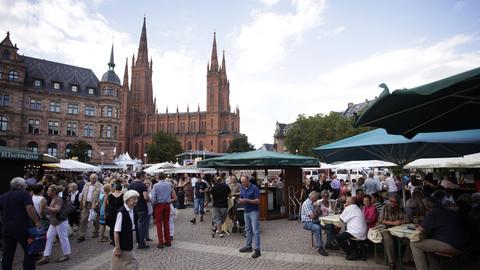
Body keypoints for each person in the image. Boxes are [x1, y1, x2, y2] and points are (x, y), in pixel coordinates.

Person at [410, 197, 465, 270]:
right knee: (427, 244)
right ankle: (435, 268)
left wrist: (419, 226)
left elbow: (421, 229)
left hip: (451, 245)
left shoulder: (434, 212)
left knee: (414, 244)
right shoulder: (446, 210)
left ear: (426, 206)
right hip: (460, 243)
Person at [0, 177, 41, 270]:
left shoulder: (3, 196)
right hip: (23, 228)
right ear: (20, 186)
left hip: (7, 229)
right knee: (30, 251)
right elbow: (29, 208)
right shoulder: (24, 194)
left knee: (8, 254)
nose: (25, 187)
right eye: (25, 185)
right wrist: (37, 221)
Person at [37, 185, 71, 264]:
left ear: (53, 192)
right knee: (49, 238)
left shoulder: (58, 199)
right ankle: (46, 256)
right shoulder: (53, 198)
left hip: (60, 222)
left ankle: (66, 255)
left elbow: (57, 209)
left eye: (49, 190)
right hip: (54, 222)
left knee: (63, 238)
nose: (47, 192)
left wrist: (46, 207)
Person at [111, 190, 140, 270]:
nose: (136, 201)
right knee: (133, 263)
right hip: (123, 244)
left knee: (118, 265)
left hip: (129, 241)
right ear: (127, 199)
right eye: (133, 199)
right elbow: (116, 231)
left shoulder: (133, 210)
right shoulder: (122, 212)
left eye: (136, 199)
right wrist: (117, 248)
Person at [378, 194, 408, 270]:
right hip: (386, 229)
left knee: (409, 239)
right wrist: (393, 223)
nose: (393, 203)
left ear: (398, 202)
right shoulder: (384, 207)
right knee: (387, 238)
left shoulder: (400, 208)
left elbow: (407, 219)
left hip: (398, 230)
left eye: (395, 202)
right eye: (391, 201)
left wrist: (401, 221)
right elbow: (380, 221)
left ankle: (406, 259)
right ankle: (392, 262)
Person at [336, 196, 368, 261]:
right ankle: (356, 252)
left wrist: (345, 208)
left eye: (346, 201)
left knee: (339, 237)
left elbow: (342, 219)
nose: (345, 202)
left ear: (348, 202)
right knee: (348, 234)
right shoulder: (357, 208)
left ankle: (351, 253)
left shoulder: (349, 208)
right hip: (363, 232)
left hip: (356, 232)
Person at [151, 172, 177, 248]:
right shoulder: (169, 185)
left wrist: (153, 204)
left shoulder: (156, 185)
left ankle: (161, 242)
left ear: (158, 177)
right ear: (164, 177)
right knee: (166, 223)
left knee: (159, 224)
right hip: (167, 205)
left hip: (159, 205)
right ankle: (168, 241)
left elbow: (153, 198)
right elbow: (173, 195)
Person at [238, 175, 261, 258]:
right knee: (248, 229)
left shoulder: (254, 188)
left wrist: (246, 200)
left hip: (254, 211)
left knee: (255, 230)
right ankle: (248, 247)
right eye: (241, 182)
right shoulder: (242, 188)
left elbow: (258, 201)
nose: (242, 183)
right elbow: (241, 197)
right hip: (246, 211)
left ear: (248, 181)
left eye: (244, 182)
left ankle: (257, 250)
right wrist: (240, 201)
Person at [301, 191, 329, 256]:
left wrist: (317, 209)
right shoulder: (306, 203)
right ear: (313, 197)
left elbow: (320, 213)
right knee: (317, 228)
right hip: (307, 222)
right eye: (317, 197)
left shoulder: (314, 203)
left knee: (329, 225)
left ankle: (330, 243)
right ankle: (320, 248)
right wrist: (317, 209)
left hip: (315, 221)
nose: (317, 199)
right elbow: (312, 216)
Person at [78, 173, 103, 242]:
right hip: (86, 204)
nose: (92, 180)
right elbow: (82, 194)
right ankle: (81, 235)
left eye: (93, 179)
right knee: (83, 219)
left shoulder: (100, 186)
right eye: (91, 179)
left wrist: (97, 203)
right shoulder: (86, 184)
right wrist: (81, 203)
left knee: (95, 219)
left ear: (96, 179)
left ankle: (96, 231)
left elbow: (101, 196)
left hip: (95, 205)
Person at [128, 172, 150, 249]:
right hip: (142, 207)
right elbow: (145, 197)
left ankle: (138, 241)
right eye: (144, 177)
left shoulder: (130, 185)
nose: (144, 178)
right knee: (142, 225)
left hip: (133, 207)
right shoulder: (142, 185)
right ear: (141, 177)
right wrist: (149, 198)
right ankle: (141, 243)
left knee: (136, 225)